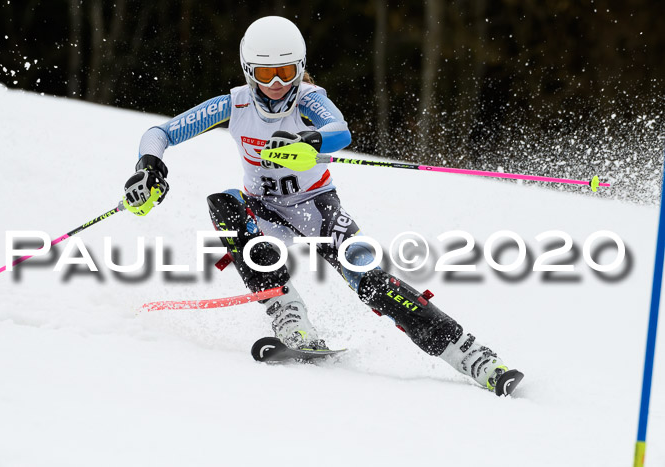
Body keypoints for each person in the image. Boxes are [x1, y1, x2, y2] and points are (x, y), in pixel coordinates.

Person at [122, 16, 523, 396]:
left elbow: (339, 131)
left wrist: (309, 142)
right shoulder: (235, 104)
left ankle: (473, 356)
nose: (277, 83)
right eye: (265, 74)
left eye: (286, 71)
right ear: (248, 71)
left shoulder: (311, 99)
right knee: (224, 203)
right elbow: (162, 131)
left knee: (372, 282)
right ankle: (288, 314)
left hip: (318, 210)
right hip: (264, 209)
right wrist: (149, 166)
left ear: (300, 67)